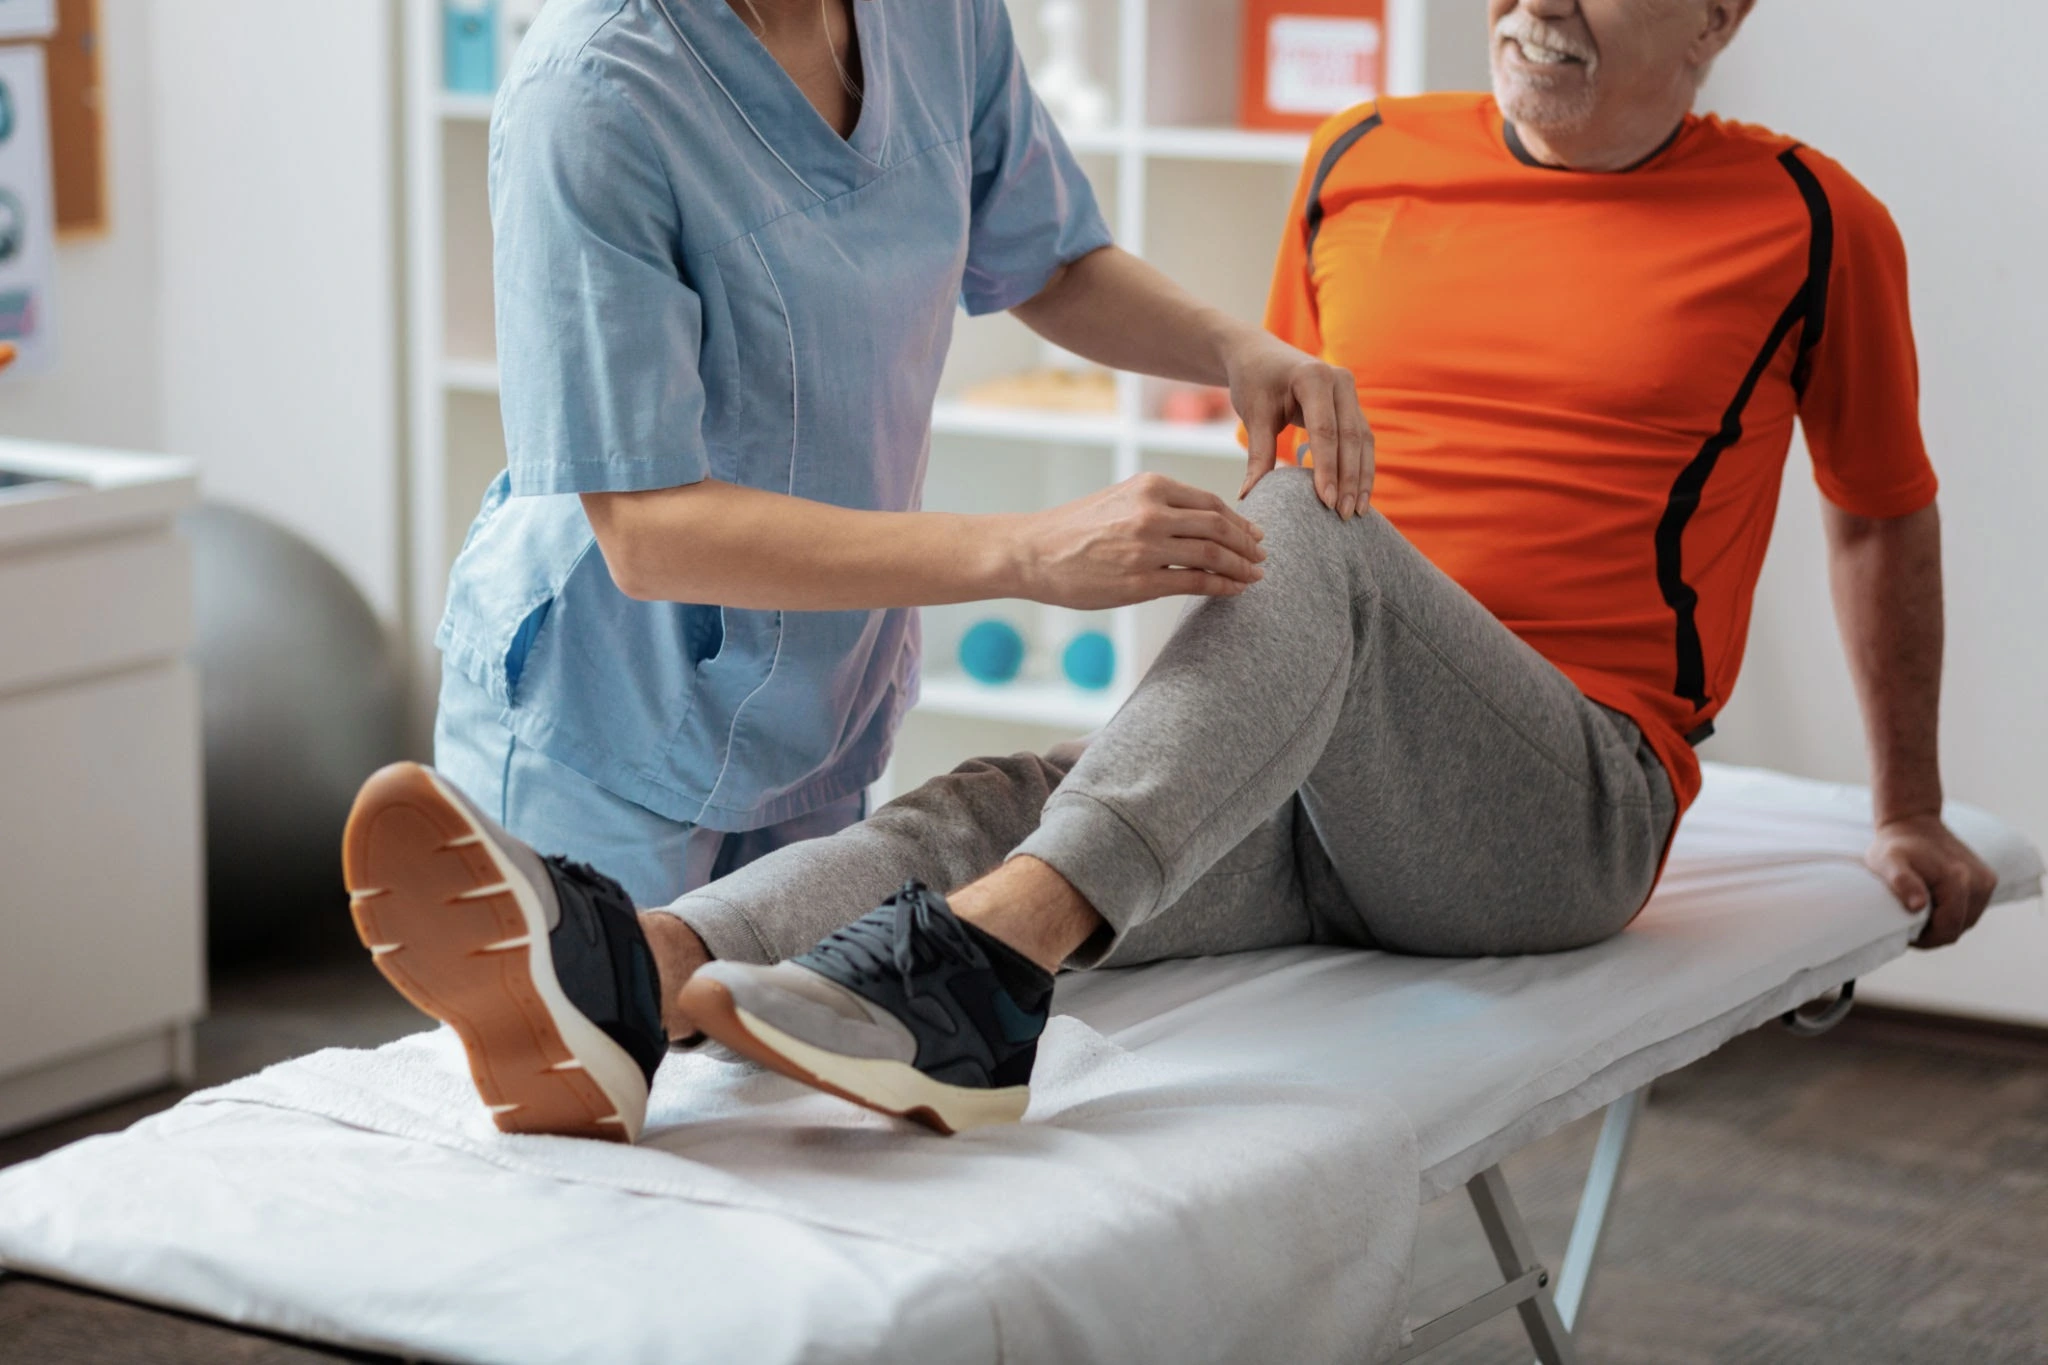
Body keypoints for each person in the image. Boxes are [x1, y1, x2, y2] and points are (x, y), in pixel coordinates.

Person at [345, 0, 2000, 1143]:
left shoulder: (1807, 218)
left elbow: (1876, 510)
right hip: (1317, 783)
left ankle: (991, 971)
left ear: (1720, 14)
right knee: (998, 803)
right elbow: (1276, 529)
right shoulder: (1359, 156)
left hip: (1564, 800)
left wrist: (1910, 808)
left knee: (1311, 538)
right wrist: (1123, 620)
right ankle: (634, 968)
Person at [433, 0, 1370, 908]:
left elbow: (1047, 261)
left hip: (818, 711)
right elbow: (648, 532)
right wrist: (1027, 551)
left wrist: (1235, 349)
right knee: (605, 1016)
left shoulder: (940, 18)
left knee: (782, 1019)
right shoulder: (589, 91)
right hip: (604, 723)